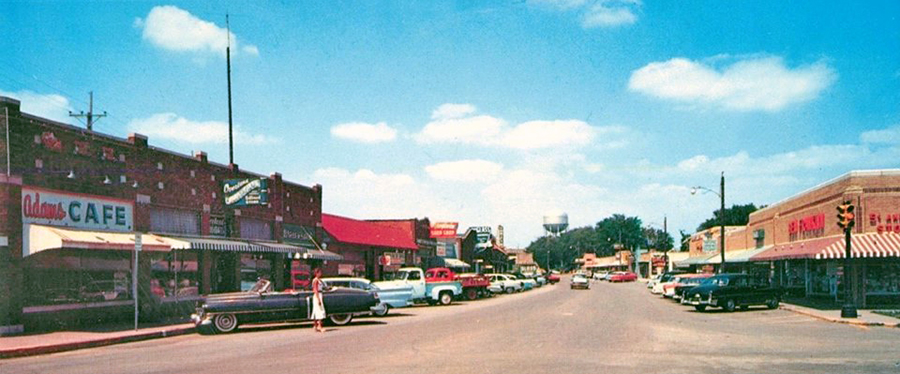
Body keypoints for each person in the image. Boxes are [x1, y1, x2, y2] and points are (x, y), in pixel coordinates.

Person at [310, 267, 326, 333]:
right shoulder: (315, 280)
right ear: (316, 273)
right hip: (318, 295)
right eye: (319, 272)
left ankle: (315, 325)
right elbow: (315, 290)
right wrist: (318, 299)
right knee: (319, 310)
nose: (320, 274)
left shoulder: (319, 280)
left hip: (319, 294)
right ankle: (319, 326)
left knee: (316, 310)